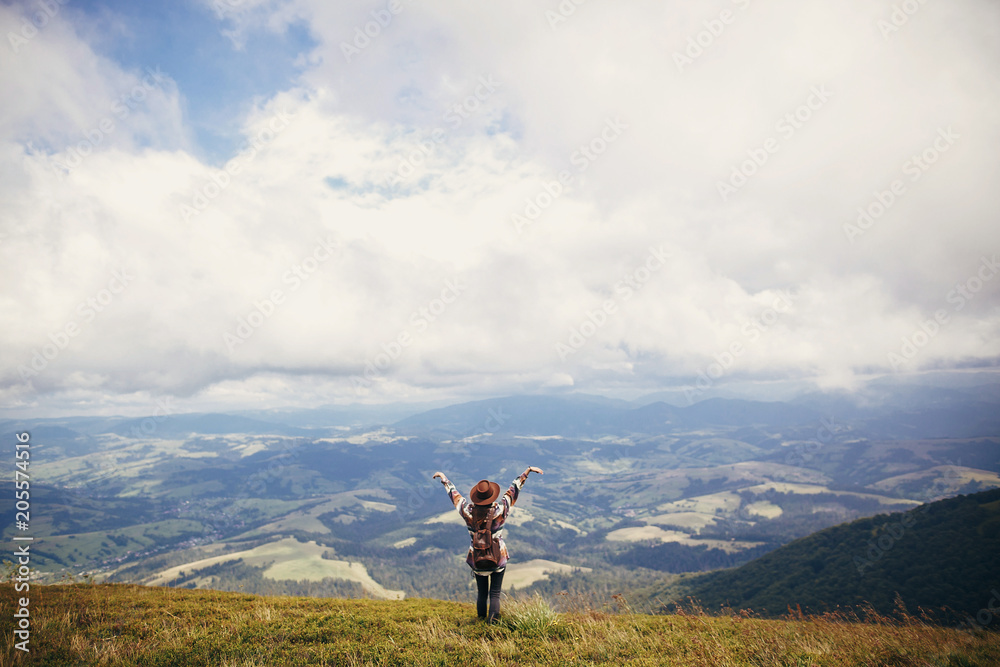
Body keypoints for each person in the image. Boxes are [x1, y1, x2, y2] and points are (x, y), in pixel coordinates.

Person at [432, 466, 544, 624]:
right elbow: (513, 491)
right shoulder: (500, 511)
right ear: (491, 496)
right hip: (498, 559)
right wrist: (527, 472)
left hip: (478, 560)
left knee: (482, 594)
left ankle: (480, 624)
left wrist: (444, 479)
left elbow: (455, 497)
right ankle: (493, 625)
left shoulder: (468, 512)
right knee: (495, 594)